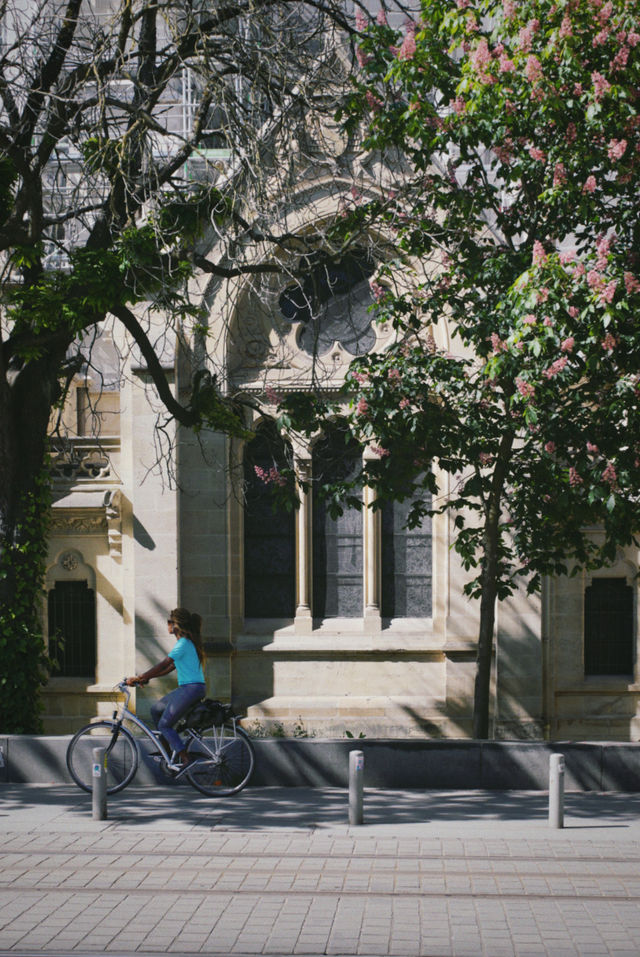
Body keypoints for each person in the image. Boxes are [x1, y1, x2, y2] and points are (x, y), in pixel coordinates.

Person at [126, 607, 206, 768]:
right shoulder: (184, 644)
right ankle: (168, 754)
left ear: (177, 625)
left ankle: (185, 758)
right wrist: (147, 678)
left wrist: (141, 677)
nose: (167, 625)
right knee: (156, 709)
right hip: (188, 688)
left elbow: (164, 663)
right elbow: (168, 669)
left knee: (164, 725)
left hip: (191, 689)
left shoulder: (183, 643)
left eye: (170, 622)